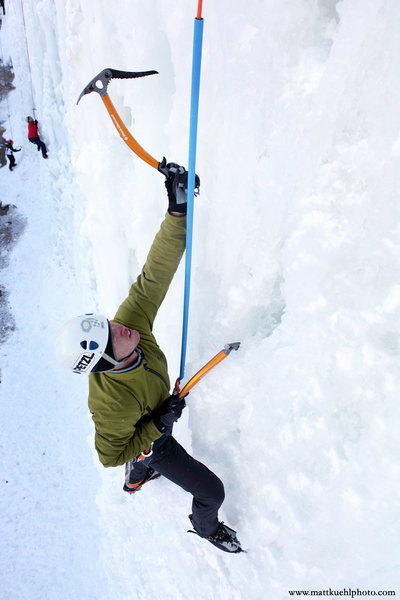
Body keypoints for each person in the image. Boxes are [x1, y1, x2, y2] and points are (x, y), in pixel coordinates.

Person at [55, 163, 243, 553]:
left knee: (139, 456)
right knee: (211, 490)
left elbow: (153, 276)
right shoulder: (110, 407)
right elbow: (110, 454)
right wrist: (157, 425)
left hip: (156, 418)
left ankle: (135, 480)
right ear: (105, 361)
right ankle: (206, 527)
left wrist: (177, 213)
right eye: (112, 335)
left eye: (109, 322)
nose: (120, 326)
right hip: (154, 436)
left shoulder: (129, 324)